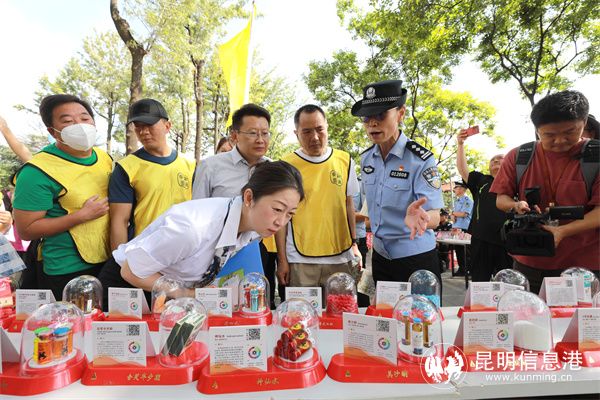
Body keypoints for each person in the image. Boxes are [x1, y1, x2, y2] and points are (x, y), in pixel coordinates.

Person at [110, 161, 303, 292]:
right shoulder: (193, 229)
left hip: (170, 290)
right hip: (129, 285)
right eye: (277, 209)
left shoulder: (254, 226)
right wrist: (186, 295)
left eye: (290, 214)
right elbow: (131, 271)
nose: (281, 222)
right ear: (249, 197)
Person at [490, 90, 600, 294]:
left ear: (584, 122)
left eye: (569, 132)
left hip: (586, 265)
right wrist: (515, 205)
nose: (560, 140)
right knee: (526, 311)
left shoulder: (596, 157)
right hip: (530, 262)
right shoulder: (519, 156)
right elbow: (501, 198)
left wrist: (563, 231)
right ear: (537, 130)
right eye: (549, 135)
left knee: (584, 315)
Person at [12, 94, 111, 300]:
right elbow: (26, 230)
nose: (80, 125)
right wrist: (80, 216)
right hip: (66, 268)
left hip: (108, 259)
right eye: (67, 121)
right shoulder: (37, 172)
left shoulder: (104, 158)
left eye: (84, 118)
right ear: (52, 131)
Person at [351, 80, 444, 287]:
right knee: (384, 308)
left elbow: (435, 216)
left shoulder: (420, 159)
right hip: (380, 257)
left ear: (400, 114)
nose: (372, 123)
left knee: (420, 309)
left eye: (380, 115)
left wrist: (420, 219)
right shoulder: (367, 159)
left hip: (415, 258)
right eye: (366, 117)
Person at [191, 104, 279, 307]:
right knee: (215, 308)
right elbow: (197, 213)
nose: (260, 139)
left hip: (254, 250)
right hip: (214, 251)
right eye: (253, 133)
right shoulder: (211, 167)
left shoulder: (273, 169)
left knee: (253, 308)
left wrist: (282, 259)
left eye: (265, 133)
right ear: (234, 135)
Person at [276, 104, 362, 295]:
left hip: (340, 256)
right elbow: (281, 218)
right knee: (301, 311)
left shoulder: (345, 161)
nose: (314, 137)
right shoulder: (286, 165)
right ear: (296, 133)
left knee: (341, 310)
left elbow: (348, 205)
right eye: (306, 131)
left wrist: (354, 244)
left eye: (319, 129)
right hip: (300, 259)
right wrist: (282, 260)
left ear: (327, 127)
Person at [108, 98, 195, 250]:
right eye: (138, 127)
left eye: (149, 125)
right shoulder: (126, 168)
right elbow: (119, 221)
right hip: (145, 250)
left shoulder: (190, 164)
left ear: (167, 126)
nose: (143, 132)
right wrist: (120, 258)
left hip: (185, 247)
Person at [456, 130, 512, 281]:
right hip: (481, 239)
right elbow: (462, 169)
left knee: (508, 282)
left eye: (500, 158)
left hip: (507, 240)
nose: (495, 160)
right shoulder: (481, 180)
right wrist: (460, 144)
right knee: (480, 282)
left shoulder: (516, 181)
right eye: (493, 159)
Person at [450, 181, 473, 276]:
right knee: (459, 251)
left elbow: (464, 214)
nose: (454, 190)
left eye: (456, 188)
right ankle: (462, 269)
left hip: (464, 228)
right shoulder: (457, 201)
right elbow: (455, 215)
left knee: (466, 251)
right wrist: (453, 215)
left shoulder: (468, 200)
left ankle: (470, 270)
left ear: (461, 189)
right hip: (456, 228)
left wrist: (453, 213)